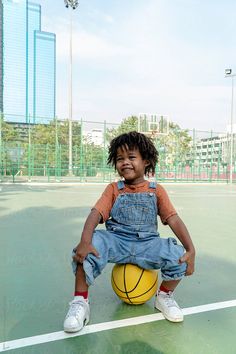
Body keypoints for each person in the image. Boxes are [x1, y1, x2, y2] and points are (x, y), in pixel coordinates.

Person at [63, 131, 195, 333]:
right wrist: (85, 241)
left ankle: (164, 296)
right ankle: (80, 303)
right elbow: (95, 213)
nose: (125, 162)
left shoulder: (156, 190)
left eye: (131, 157)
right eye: (119, 159)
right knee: (86, 251)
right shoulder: (114, 189)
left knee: (179, 256)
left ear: (147, 161)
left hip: (148, 243)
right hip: (117, 241)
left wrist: (190, 249)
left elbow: (173, 219)